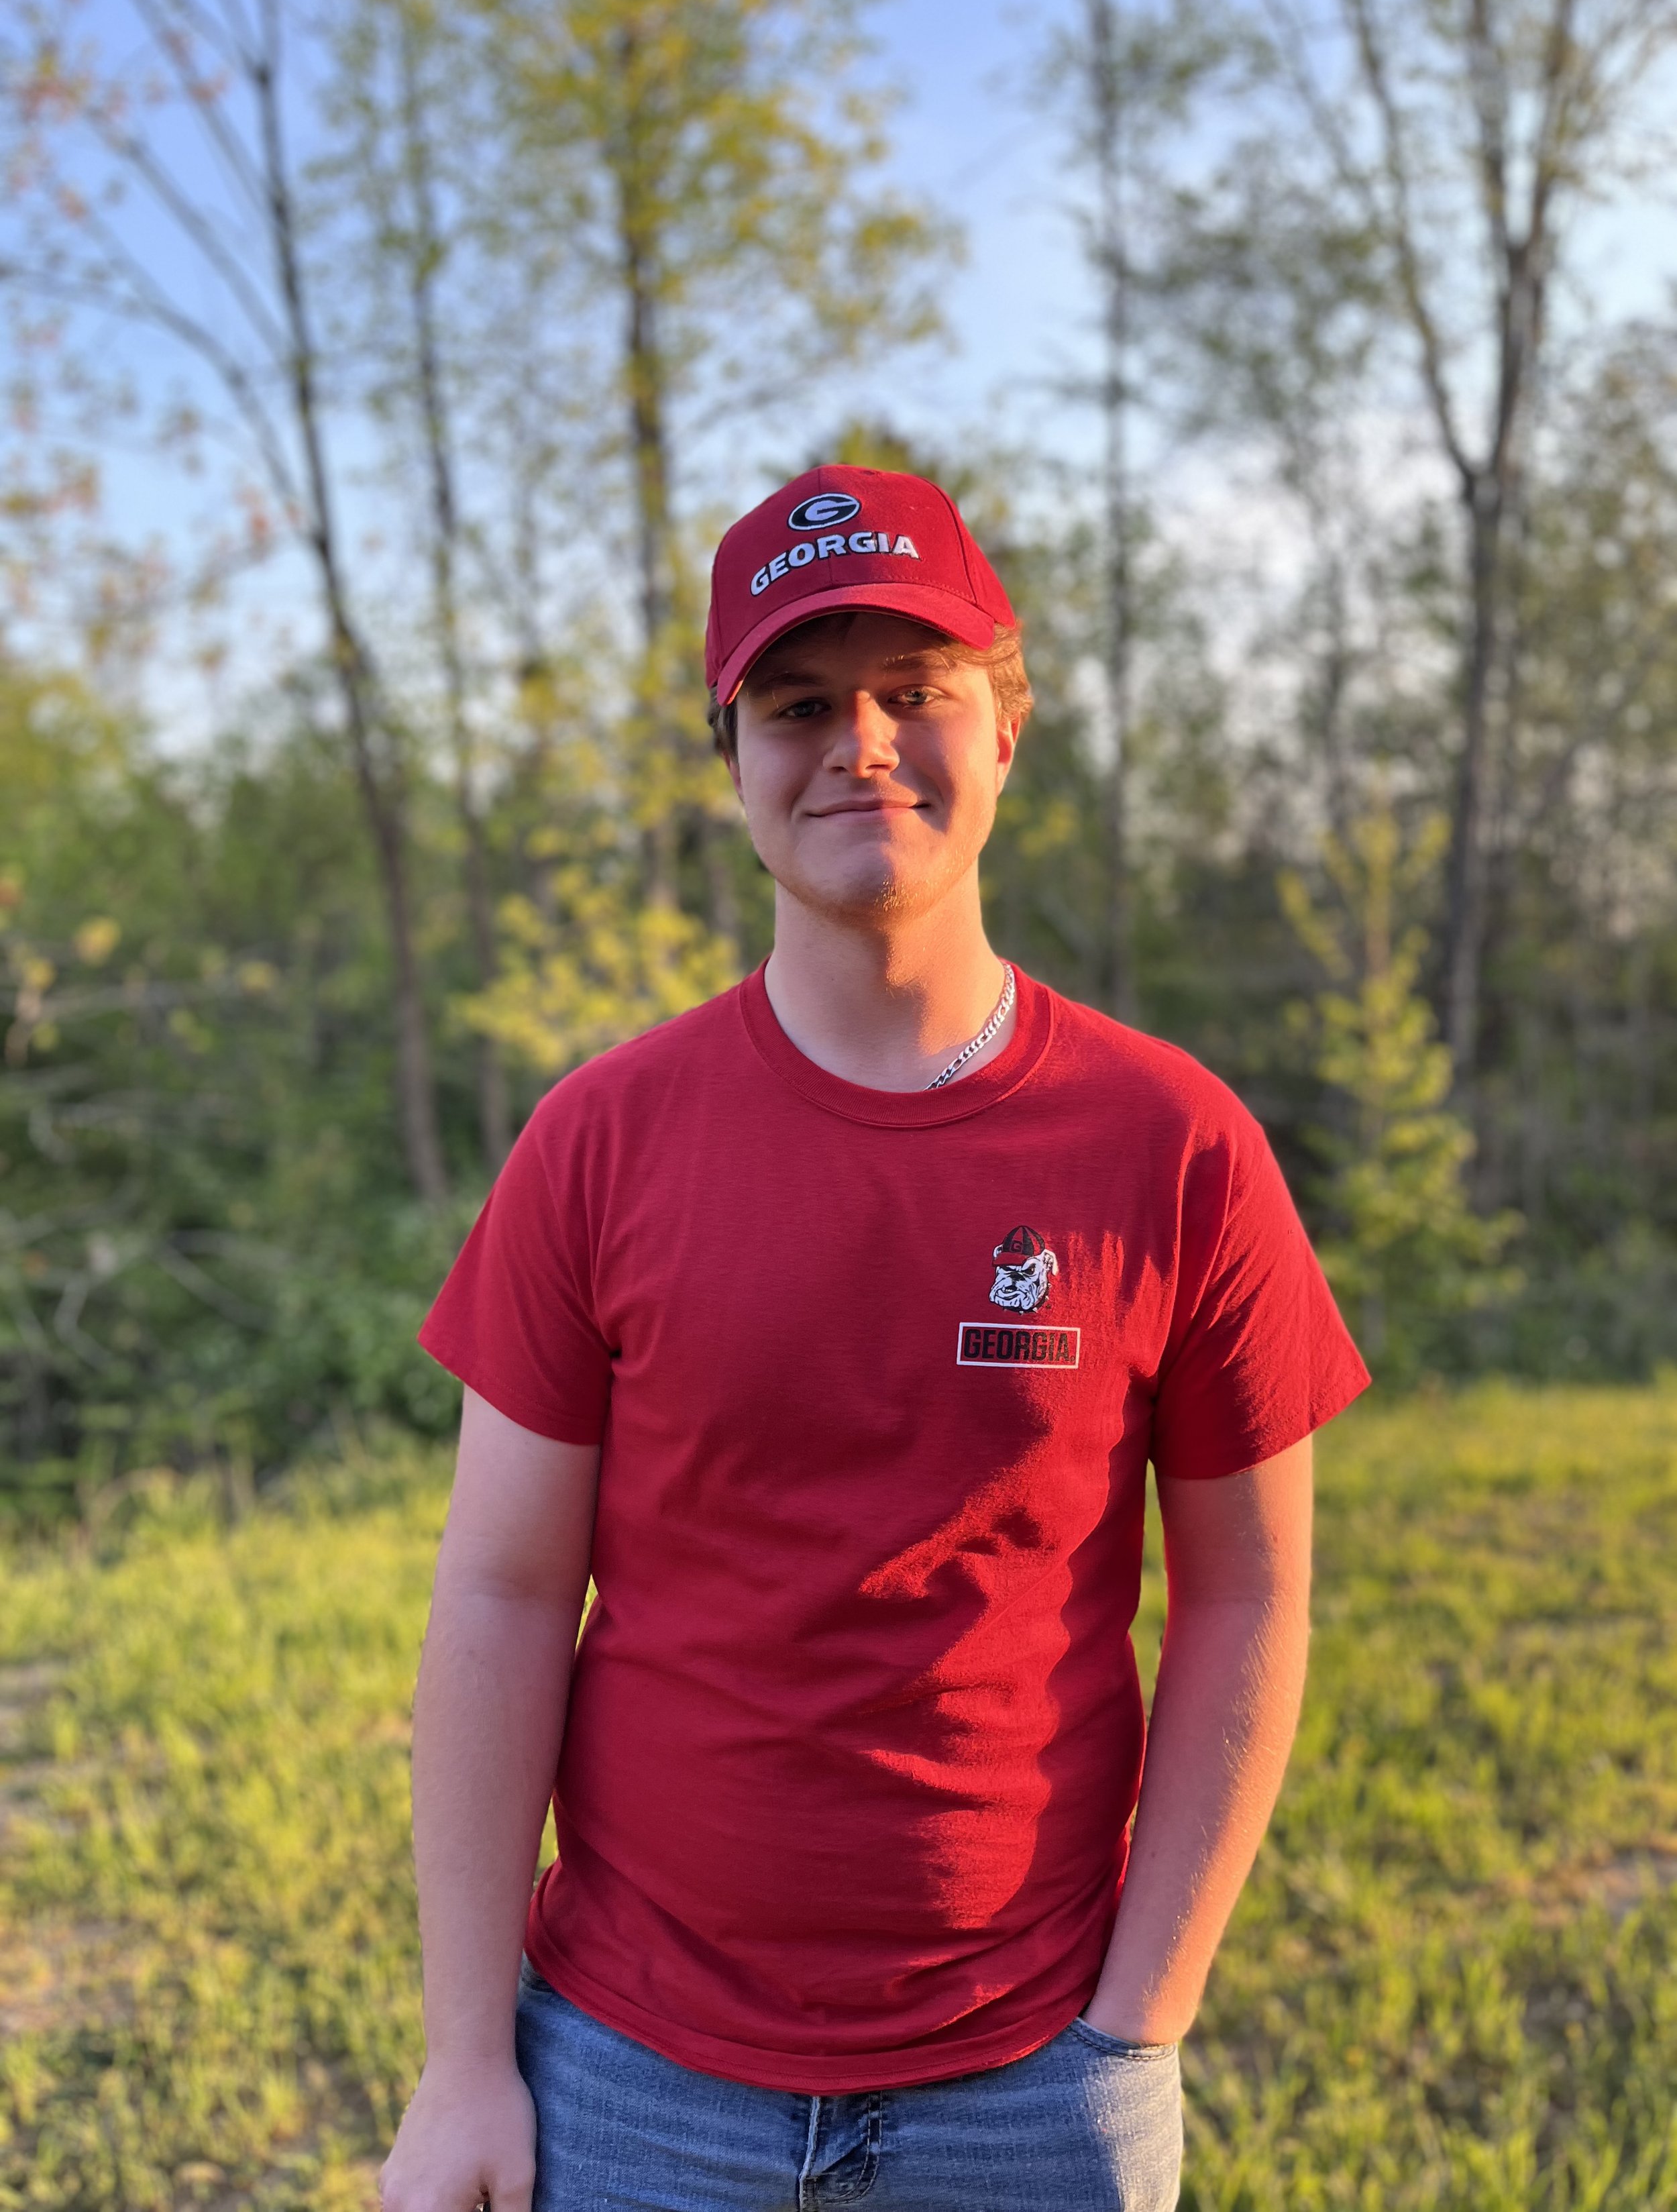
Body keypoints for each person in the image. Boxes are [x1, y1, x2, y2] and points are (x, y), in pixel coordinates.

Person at [378, 465, 1369, 2212]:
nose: (858, 744)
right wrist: (467, 2063)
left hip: (1030, 2072)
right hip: (627, 2068)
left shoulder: (1174, 1144)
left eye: (913, 692)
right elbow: (503, 1593)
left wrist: (1138, 2029)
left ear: (1006, 727)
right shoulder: (598, 1142)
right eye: (795, 704)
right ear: (732, 759)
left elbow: (1248, 1592)